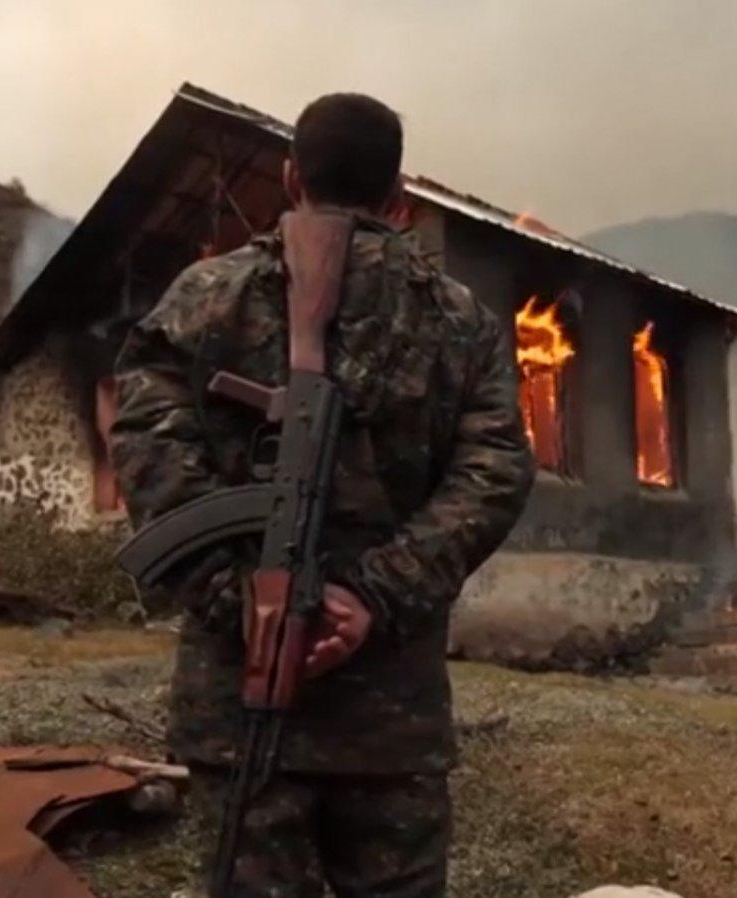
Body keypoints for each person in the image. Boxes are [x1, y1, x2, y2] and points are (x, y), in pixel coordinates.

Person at [110, 93, 535, 898]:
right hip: (391, 721)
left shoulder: (205, 298)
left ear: (289, 176)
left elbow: (146, 450)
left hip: (240, 704)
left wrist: (238, 596)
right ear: (400, 195)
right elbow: (497, 472)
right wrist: (376, 593)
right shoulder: (460, 321)